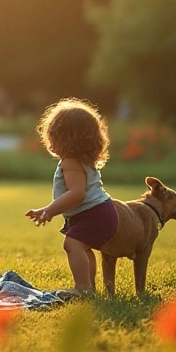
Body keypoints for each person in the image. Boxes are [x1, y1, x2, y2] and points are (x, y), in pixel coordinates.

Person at [25, 99, 116, 293]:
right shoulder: (83, 159)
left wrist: (50, 211)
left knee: (72, 244)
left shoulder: (71, 162)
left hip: (94, 214)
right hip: (101, 212)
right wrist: (46, 209)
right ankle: (89, 288)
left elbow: (77, 194)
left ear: (61, 137)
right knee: (83, 247)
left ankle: (82, 288)